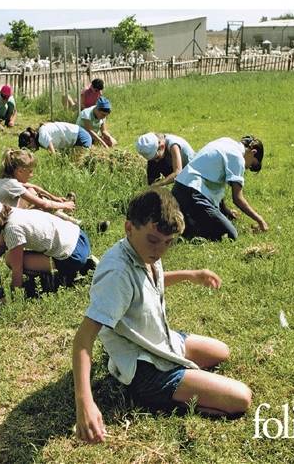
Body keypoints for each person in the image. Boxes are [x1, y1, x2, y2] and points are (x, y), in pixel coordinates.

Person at [72, 188, 252, 444]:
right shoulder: (116, 275)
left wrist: (191, 274)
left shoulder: (143, 251)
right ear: (129, 227)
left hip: (160, 339)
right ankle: (158, 398)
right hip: (145, 368)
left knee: (221, 351)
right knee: (241, 398)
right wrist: (85, 403)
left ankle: (182, 376)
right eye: (154, 240)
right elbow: (82, 341)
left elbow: (149, 283)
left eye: (168, 242)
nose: (160, 250)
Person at [0, 187, 97, 288]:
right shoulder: (12, 213)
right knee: (13, 255)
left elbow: (17, 268)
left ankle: (70, 275)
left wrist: (12, 296)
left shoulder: (12, 229)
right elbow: (1, 246)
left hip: (72, 256)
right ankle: (86, 264)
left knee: (10, 260)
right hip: (79, 237)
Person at [172, 135, 268, 241]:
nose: (247, 168)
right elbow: (237, 199)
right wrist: (260, 220)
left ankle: (187, 227)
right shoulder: (238, 158)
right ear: (253, 152)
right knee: (231, 235)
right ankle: (192, 232)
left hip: (179, 188)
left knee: (209, 220)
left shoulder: (226, 142)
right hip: (193, 193)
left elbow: (215, 181)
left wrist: (225, 210)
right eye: (252, 165)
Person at [0, 148, 80, 223]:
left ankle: (60, 212)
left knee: (31, 191)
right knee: (39, 205)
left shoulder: (2, 180)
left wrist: (54, 198)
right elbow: (44, 205)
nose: (32, 175)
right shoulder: (12, 184)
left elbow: (34, 187)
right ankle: (74, 221)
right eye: (30, 171)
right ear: (20, 171)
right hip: (0, 227)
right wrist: (64, 205)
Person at [18, 122, 92, 154]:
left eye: (29, 148)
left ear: (31, 140)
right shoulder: (41, 133)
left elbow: (53, 154)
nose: (31, 151)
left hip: (81, 138)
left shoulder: (41, 137)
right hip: (80, 135)